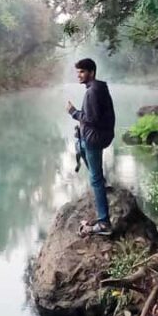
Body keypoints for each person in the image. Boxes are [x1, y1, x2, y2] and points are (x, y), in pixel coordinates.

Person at [66, 58, 116, 237]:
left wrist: (73, 113)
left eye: (82, 72)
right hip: (97, 136)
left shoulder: (93, 92)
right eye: (77, 71)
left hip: (95, 139)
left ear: (91, 72)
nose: (78, 75)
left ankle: (104, 223)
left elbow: (91, 119)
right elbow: (94, 117)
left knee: (94, 179)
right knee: (79, 143)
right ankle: (101, 181)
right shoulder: (97, 88)